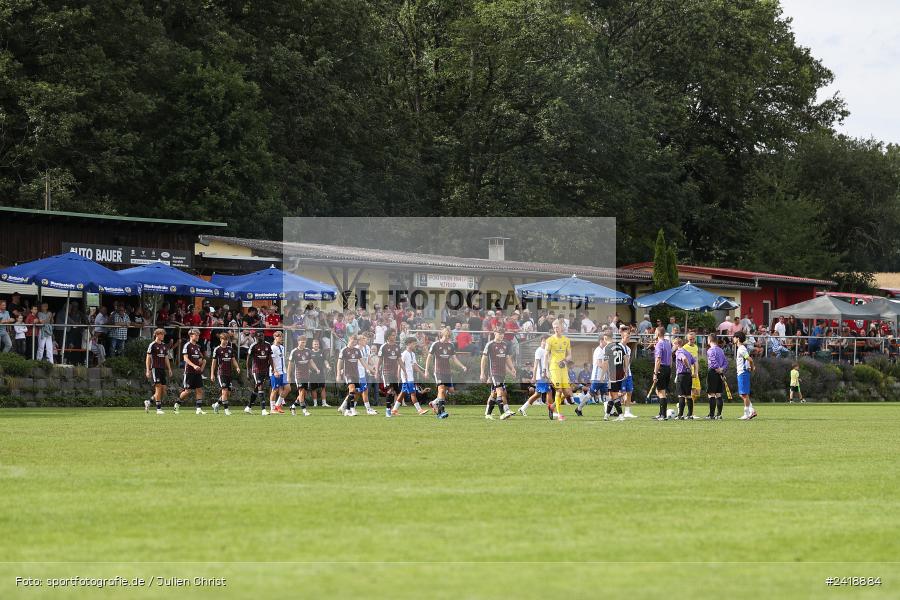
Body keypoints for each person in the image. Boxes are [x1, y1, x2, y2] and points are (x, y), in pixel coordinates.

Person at [424, 326, 468, 419]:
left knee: (450, 390)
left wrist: (462, 366)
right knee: (441, 390)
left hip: (447, 372)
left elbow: (454, 358)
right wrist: (426, 370)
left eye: (449, 336)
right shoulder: (435, 344)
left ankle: (434, 403)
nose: (448, 338)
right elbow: (429, 357)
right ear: (442, 335)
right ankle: (441, 412)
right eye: (446, 336)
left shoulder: (450, 345)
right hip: (438, 371)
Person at [480, 329, 516, 420]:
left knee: (494, 393)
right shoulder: (490, 344)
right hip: (494, 371)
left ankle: (488, 414)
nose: (501, 336)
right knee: (500, 391)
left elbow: (507, 358)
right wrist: (482, 372)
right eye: (500, 334)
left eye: (502, 334)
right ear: (495, 334)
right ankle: (502, 413)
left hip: (502, 372)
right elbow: (483, 359)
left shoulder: (505, 344)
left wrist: (512, 368)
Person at [394, 336, 429, 416]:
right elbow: (400, 364)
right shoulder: (404, 354)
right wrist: (398, 375)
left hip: (410, 377)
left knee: (402, 393)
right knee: (413, 393)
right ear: (408, 344)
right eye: (413, 344)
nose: (415, 345)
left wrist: (422, 374)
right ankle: (419, 410)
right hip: (406, 377)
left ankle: (394, 410)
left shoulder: (412, 354)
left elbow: (414, 366)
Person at [545, 319, 573, 421]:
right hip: (553, 368)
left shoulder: (567, 340)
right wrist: (546, 370)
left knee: (568, 393)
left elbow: (570, 355)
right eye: (554, 327)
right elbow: (545, 355)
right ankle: (559, 414)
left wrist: (565, 361)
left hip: (563, 368)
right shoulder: (550, 340)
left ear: (562, 328)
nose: (556, 329)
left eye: (557, 327)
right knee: (559, 390)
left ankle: (552, 407)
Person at [517, 335, 551, 418]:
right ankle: (552, 411)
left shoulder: (546, 351)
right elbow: (535, 365)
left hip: (545, 375)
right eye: (544, 341)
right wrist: (534, 377)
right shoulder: (539, 351)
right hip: (541, 376)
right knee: (549, 391)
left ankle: (522, 408)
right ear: (541, 341)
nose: (546, 342)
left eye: (547, 341)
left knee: (537, 394)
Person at [576, 333, 607, 418]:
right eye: (605, 339)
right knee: (590, 394)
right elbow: (599, 364)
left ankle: (608, 412)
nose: (607, 341)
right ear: (601, 340)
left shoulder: (604, 350)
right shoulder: (598, 350)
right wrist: (608, 367)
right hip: (597, 377)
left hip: (603, 377)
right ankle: (578, 408)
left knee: (605, 394)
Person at [287, 335, 319, 416]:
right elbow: (290, 365)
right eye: (302, 342)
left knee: (303, 394)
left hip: (306, 375)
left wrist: (316, 369)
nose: (303, 344)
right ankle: (304, 411)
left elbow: (311, 361)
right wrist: (288, 376)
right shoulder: (294, 351)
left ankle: (293, 406)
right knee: (301, 392)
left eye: (304, 342)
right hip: (298, 375)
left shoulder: (308, 351)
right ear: (298, 342)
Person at [177, 328, 206, 415]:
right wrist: (194, 365)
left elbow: (199, 359)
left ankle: (198, 409)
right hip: (189, 371)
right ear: (191, 335)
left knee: (199, 390)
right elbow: (185, 358)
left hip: (197, 372)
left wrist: (202, 362)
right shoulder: (187, 345)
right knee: (187, 391)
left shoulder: (197, 347)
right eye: (196, 335)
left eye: (198, 335)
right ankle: (177, 403)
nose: (198, 336)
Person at [210, 332, 239, 416]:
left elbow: (233, 359)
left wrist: (237, 367)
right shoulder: (217, 349)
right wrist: (212, 374)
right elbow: (213, 363)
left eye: (227, 339)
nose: (225, 341)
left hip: (229, 373)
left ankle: (216, 405)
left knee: (227, 393)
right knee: (225, 391)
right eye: (224, 339)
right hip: (221, 373)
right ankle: (226, 410)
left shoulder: (230, 349)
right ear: (220, 339)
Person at [144, 328, 173, 414]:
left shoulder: (164, 346)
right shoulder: (152, 345)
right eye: (161, 334)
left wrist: (169, 369)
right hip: (155, 369)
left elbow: (166, 358)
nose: (163, 336)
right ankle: (158, 409)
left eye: (163, 334)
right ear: (157, 335)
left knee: (163, 390)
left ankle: (149, 401)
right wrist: (148, 370)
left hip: (162, 369)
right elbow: (148, 358)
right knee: (158, 388)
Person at [246, 331, 274, 415]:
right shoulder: (253, 346)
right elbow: (248, 359)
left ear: (263, 336)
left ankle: (249, 407)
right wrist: (248, 371)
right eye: (258, 336)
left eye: (261, 336)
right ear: (256, 337)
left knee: (257, 387)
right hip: (256, 369)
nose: (260, 337)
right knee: (260, 386)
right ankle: (263, 410)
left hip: (265, 369)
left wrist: (273, 368)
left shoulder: (268, 345)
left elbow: (270, 357)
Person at [376, 328, 402, 417]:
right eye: (393, 335)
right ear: (388, 336)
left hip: (394, 373)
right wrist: (376, 371)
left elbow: (399, 360)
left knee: (396, 391)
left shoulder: (397, 347)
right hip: (386, 372)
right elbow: (379, 360)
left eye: (395, 335)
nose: (394, 337)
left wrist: (404, 370)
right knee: (390, 390)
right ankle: (388, 411)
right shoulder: (384, 347)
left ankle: (392, 409)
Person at [336, 334, 364, 416]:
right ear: (349, 339)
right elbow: (339, 362)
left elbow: (363, 362)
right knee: (352, 390)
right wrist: (338, 374)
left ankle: (346, 410)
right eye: (353, 340)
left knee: (355, 392)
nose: (354, 342)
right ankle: (352, 409)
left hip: (356, 374)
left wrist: (369, 369)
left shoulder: (357, 350)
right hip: (348, 374)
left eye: (355, 341)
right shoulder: (344, 350)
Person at [603, 332, 628, 421]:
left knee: (614, 395)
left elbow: (605, 363)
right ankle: (607, 414)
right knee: (611, 394)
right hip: (620, 373)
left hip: (612, 375)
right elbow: (626, 358)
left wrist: (602, 375)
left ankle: (621, 415)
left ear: (605, 338)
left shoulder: (607, 348)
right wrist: (626, 370)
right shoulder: (620, 346)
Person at [734, 331, 756, 420]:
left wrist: (752, 367)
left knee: (744, 394)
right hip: (741, 372)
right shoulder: (741, 348)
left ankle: (746, 414)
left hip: (743, 373)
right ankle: (752, 410)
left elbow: (749, 358)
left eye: (734, 337)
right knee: (742, 394)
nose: (733, 339)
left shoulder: (741, 348)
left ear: (738, 338)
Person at [652, 327, 673, 420]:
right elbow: (671, 357)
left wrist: (655, 373)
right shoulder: (668, 343)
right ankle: (661, 413)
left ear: (658, 333)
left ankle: (663, 415)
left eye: (655, 332)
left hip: (662, 368)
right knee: (659, 391)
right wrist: (670, 369)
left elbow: (658, 360)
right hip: (668, 368)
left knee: (661, 392)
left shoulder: (659, 344)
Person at [673, 337, 697, 419]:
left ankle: (680, 415)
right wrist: (695, 372)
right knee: (688, 395)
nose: (673, 346)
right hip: (688, 375)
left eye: (674, 345)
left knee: (681, 395)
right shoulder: (687, 352)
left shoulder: (679, 352)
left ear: (677, 344)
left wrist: (687, 367)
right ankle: (690, 415)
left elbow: (684, 358)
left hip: (682, 375)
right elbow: (695, 362)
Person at [355, 332, 378, 415]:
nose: (367, 341)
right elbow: (361, 362)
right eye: (365, 339)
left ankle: (347, 407)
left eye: (367, 339)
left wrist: (374, 365)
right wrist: (370, 369)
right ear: (360, 340)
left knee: (358, 392)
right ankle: (368, 409)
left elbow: (368, 358)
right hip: (357, 373)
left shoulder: (367, 347)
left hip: (363, 373)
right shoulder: (356, 349)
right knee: (364, 390)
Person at [706, 336, 727, 419]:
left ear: (710, 340)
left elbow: (713, 361)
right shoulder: (721, 350)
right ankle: (719, 414)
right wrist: (722, 369)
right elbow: (725, 362)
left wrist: (718, 368)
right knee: (718, 394)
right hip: (720, 372)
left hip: (713, 372)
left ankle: (711, 415)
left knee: (711, 394)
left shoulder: (710, 350)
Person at [268, 331, 290, 414]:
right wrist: (275, 371)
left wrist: (286, 370)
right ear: (275, 337)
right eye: (279, 336)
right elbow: (271, 360)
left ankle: (278, 405)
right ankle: (272, 408)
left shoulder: (282, 347)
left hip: (283, 372)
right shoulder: (272, 348)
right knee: (275, 390)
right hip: (275, 372)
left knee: (288, 388)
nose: (281, 338)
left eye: (281, 336)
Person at [307, 338, 331, 408]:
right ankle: (315, 404)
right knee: (313, 388)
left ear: (319, 345)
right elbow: (308, 362)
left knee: (323, 387)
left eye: (317, 344)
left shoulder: (322, 352)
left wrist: (328, 366)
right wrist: (308, 369)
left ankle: (324, 403)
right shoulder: (309, 352)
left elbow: (325, 360)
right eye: (315, 344)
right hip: (312, 373)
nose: (316, 345)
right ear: (312, 345)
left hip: (321, 372)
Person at [683, 331, 702, 411]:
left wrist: (696, 371)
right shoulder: (685, 347)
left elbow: (696, 360)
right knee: (691, 391)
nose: (692, 340)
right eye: (690, 339)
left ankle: (683, 405)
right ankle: (690, 412)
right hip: (688, 372)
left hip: (695, 372)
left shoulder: (696, 347)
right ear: (688, 339)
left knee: (697, 391)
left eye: (693, 339)